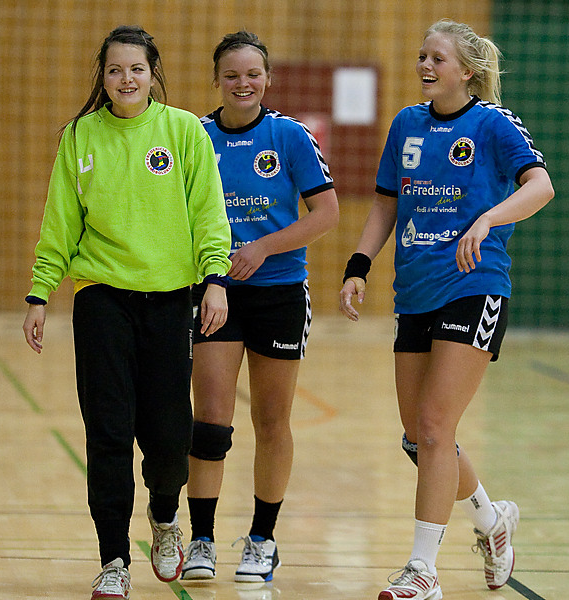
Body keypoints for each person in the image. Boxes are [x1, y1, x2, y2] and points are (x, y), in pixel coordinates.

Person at [338, 19, 554, 600]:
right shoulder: (407, 125)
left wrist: (488, 218)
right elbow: (387, 204)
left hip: (475, 285)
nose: (424, 66)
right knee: (419, 436)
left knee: (435, 425)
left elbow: (541, 186)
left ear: (468, 70)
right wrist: (359, 265)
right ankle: (492, 522)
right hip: (415, 292)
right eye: (421, 56)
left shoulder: (493, 124)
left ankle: (422, 570)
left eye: (437, 58)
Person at [21, 25, 232, 600]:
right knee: (108, 431)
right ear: (103, 77)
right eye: (115, 70)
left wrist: (215, 279)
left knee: (168, 435)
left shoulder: (183, 130)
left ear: (152, 72)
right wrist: (41, 293)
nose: (126, 79)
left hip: (170, 299)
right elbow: (59, 222)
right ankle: (113, 556)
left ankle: (166, 518)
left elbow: (210, 214)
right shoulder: (80, 136)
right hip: (100, 298)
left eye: (136, 69)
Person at [181, 31, 339, 584]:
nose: (243, 84)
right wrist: (212, 269)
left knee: (272, 420)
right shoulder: (195, 136)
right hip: (215, 291)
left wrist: (265, 246)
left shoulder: (290, 136)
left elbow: (326, 213)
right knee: (211, 420)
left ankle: (262, 539)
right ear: (217, 80)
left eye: (253, 74)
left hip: (278, 292)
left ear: (267, 79)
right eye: (232, 75)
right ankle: (200, 538)